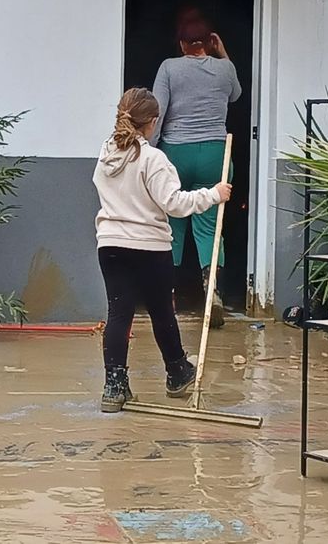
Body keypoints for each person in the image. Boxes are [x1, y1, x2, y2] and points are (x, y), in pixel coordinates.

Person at [93, 88, 233, 413]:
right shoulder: (153, 160)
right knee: (161, 311)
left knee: (118, 314)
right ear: (152, 122)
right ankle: (177, 372)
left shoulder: (106, 154)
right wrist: (214, 194)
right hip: (149, 248)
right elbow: (174, 204)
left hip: (111, 245)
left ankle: (114, 388)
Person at [151, 15, 242, 327]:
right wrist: (223, 53)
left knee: (172, 223)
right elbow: (236, 94)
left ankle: (168, 295)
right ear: (209, 42)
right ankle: (212, 289)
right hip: (215, 153)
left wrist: (149, 149)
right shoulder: (224, 68)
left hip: (175, 152)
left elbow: (158, 111)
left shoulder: (169, 68)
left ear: (181, 44)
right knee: (209, 224)